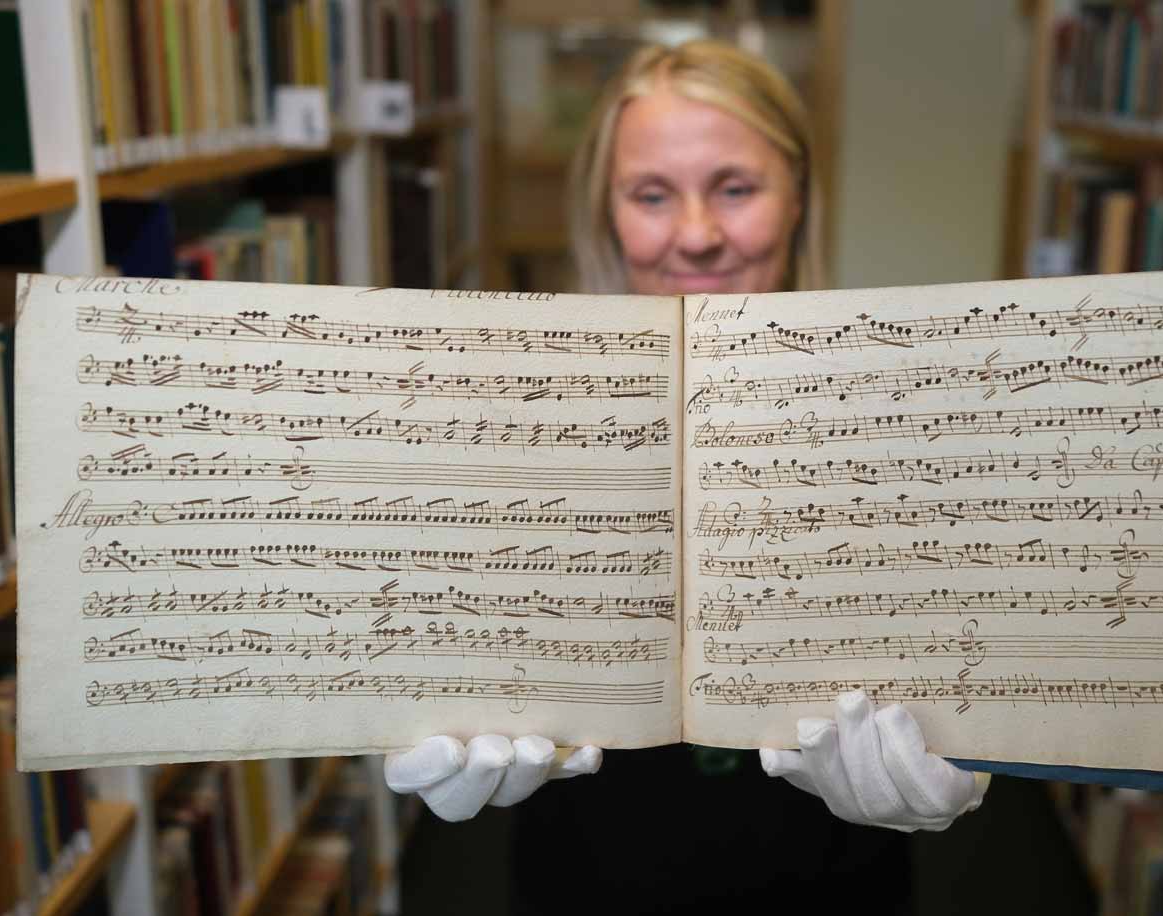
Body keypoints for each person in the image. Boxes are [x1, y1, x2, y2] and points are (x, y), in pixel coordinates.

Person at [384, 40, 989, 911]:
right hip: (587, 875)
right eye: (652, 195)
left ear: (798, 202)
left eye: (736, 188)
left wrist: (971, 761)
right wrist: (409, 713)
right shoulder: (508, 428)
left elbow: (971, 655)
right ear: (606, 215)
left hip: (832, 879)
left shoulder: (895, 416)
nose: (698, 236)